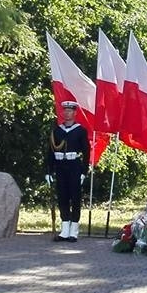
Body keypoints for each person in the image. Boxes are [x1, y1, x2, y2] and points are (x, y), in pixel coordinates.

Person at [45, 101, 90, 242]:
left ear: (75, 113)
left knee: (75, 197)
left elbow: (86, 152)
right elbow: (50, 152)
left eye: (70, 111)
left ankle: (74, 230)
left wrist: (84, 171)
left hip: (74, 166)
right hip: (60, 166)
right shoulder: (57, 131)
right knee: (62, 197)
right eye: (65, 110)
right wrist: (48, 171)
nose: (67, 113)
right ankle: (64, 230)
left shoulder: (80, 130)